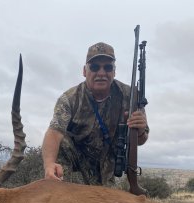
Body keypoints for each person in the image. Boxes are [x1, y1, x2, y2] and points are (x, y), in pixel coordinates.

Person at [42, 42, 149, 186]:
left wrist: (140, 129)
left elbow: (141, 140)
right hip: (76, 162)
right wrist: (49, 164)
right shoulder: (70, 98)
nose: (101, 73)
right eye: (94, 67)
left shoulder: (130, 97)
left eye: (108, 67)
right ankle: (60, 188)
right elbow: (54, 133)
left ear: (114, 72)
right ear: (85, 71)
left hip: (108, 165)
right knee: (61, 145)